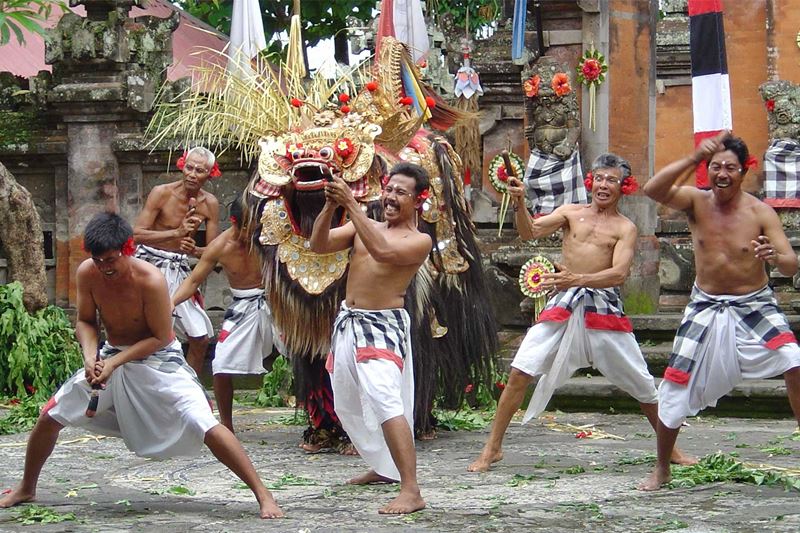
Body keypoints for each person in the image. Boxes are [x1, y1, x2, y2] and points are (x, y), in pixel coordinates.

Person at [0, 212, 282, 518]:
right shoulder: (87, 273)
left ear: (128, 248)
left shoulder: (151, 280)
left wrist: (113, 363)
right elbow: (84, 321)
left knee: (206, 424)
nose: (105, 268)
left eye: (111, 259)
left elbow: (161, 337)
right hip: (111, 354)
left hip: (161, 361)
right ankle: (26, 486)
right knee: (49, 414)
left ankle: (263, 495)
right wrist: (91, 358)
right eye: (98, 261)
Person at [468, 153, 693, 474]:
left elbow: (618, 274)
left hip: (603, 309)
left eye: (611, 180)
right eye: (599, 178)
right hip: (563, 305)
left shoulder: (625, 228)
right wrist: (519, 203)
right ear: (591, 181)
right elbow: (529, 231)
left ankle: (671, 450)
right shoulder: (571, 213)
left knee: (643, 385)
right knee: (520, 369)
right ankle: (492, 448)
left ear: (623, 186)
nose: (604, 185)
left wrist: (578, 279)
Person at [639, 132, 800, 490]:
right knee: (675, 383)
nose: (722, 173)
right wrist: (694, 156)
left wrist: (775, 257)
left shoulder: (761, 211)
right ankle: (662, 466)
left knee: (794, 359)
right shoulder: (696, 202)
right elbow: (652, 189)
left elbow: (790, 264)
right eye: (715, 167)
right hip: (705, 305)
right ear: (706, 170)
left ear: (744, 172)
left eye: (730, 167)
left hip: (754, 303)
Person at [309, 162, 431, 514]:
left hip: (383, 326)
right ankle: (384, 467)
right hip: (349, 322)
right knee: (347, 400)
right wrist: (332, 207)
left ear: (418, 200)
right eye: (389, 189)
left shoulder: (418, 241)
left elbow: (384, 253)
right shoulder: (365, 226)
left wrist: (350, 205)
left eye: (400, 192)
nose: (390, 197)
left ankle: (412, 489)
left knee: (385, 399)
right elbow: (318, 245)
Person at [172, 198, 273, 433]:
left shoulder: (269, 238)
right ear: (236, 222)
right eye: (250, 225)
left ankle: (322, 421)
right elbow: (194, 280)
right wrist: (171, 303)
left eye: (258, 224)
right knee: (221, 363)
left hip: (277, 303)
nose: (255, 231)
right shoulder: (221, 246)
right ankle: (226, 425)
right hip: (243, 308)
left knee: (305, 356)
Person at [134, 146, 220, 375]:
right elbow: (136, 234)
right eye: (189, 167)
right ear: (182, 166)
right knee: (151, 334)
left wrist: (195, 249)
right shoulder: (161, 193)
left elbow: (212, 251)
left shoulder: (209, 203)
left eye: (199, 170)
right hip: (149, 265)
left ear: (209, 174)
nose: (192, 174)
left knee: (200, 338)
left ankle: (189, 389)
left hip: (179, 269)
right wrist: (176, 233)